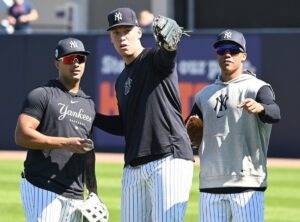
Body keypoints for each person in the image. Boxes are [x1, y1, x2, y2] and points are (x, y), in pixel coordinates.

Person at [94, 7, 194, 222]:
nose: (122, 37)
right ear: (111, 38)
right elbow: (125, 125)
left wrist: (169, 46)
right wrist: (91, 117)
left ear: (139, 32)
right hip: (134, 165)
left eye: (126, 30)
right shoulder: (121, 80)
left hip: (168, 157)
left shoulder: (153, 59)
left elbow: (167, 56)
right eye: (116, 33)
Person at [186, 29, 281, 222]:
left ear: (243, 56)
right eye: (222, 50)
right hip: (210, 184)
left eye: (233, 50)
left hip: (247, 183)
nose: (227, 54)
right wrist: (190, 137)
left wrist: (261, 107)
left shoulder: (256, 87)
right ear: (217, 55)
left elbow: (275, 113)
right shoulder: (204, 95)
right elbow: (188, 132)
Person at [15, 37, 97, 222]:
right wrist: (64, 143)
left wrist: (93, 190)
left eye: (80, 59)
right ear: (57, 63)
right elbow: (21, 135)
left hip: (76, 193)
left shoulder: (89, 104)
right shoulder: (42, 95)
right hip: (42, 186)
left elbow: (88, 151)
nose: (75, 64)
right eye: (69, 59)